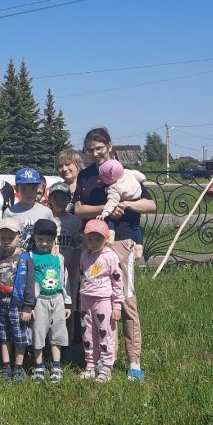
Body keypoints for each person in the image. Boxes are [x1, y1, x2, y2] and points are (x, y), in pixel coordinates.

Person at [73, 127, 156, 381]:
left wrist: (125, 205)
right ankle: (102, 359)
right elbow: (78, 209)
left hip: (123, 240)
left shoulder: (124, 172)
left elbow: (150, 204)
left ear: (109, 146)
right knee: (96, 303)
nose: (96, 153)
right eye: (91, 150)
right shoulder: (86, 175)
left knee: (126, 301)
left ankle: (134, 361)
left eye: (100, 148)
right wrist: (104, 208)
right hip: (92, 244)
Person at [78, 219, 124, 383]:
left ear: (105, 239)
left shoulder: (110, 256)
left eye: (97, 239)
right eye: (89, 239)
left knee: (106, 333)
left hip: (103, 300)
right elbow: (83, 275)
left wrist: (117, 305)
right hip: (86, 300)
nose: (93, 243)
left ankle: (106, 367)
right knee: (88, 333)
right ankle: (90, 365)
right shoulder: (84, 254)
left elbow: (117, 281)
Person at [0, 218, 34, 383]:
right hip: (0, 303)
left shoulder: (25, 258)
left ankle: (18, 367)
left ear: (19, 238)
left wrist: (28, 307)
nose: (6, 242)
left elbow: (29, 284)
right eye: (3, 238)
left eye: (10, 238)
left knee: (19, 336)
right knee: (3, 336)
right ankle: (6, 366)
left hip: (18, 304)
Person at [29, 219, 71, 384]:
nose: (44, 243)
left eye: (48, 240)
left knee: (58, 333)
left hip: (57, 299)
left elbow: (64, 280)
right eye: (40, 239)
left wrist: (67, 302)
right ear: (34, 237)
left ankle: (56, 365)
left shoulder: (59, 258)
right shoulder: (31, 257)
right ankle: (38, 365)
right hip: (40, 301)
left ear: (54, 240)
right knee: (38, 333)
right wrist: (29, 304)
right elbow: (29, 282)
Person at [47, 181, 83, 343]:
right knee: (48, 304)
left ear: (69, 199)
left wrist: (73, 265)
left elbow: (79, 245)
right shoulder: (47, 218)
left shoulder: (74, 221)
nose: (59, 201)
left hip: (70, 269)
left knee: (70, 305)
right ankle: (49, 342)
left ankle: (68, 341)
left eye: (63, 198)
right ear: (50, 199)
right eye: (56, 198)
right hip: (49, 270)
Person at [96, 159, 146, 257]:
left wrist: (105, 213)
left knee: (110, 219)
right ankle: (139, 248)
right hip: (135, 205)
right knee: (136, 227)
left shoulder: (114, 187)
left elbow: (112, 202)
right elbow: (142, 177)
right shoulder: (129, 173)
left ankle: (110, 237)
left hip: (122, 206)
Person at [3, 167, 54, 250]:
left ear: (38, 188)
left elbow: (52, 234)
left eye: (33, 188)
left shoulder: (46, 212)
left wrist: (54, 246)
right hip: (17, 257)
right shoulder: (10, 212)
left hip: (39, 257)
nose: (28, 193)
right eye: (24, 188)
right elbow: (4, 236)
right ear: (16, 189)